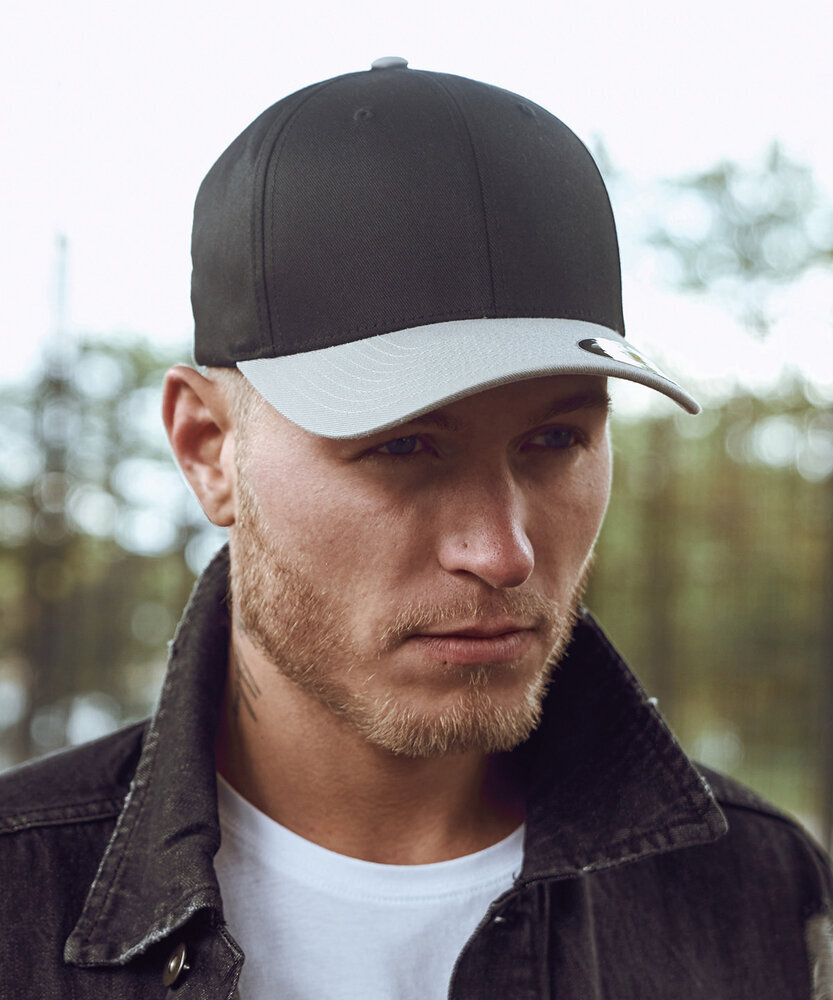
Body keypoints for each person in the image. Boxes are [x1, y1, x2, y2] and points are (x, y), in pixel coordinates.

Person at [1, 57, 831, 1000]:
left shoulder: (760, 893)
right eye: (402, 447)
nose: (502, 552)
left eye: (555, 439)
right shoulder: (20, 894)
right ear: (207, 450)